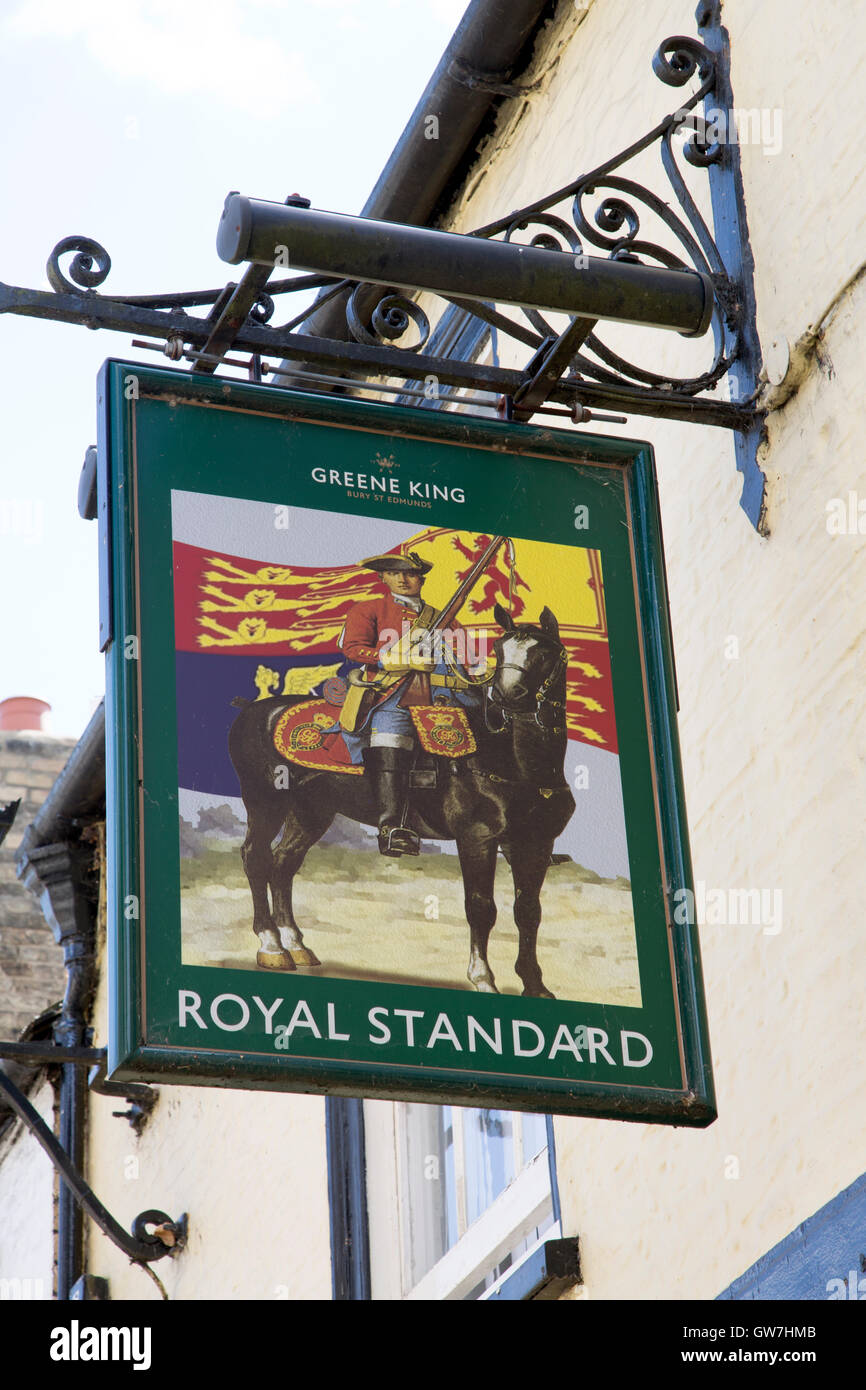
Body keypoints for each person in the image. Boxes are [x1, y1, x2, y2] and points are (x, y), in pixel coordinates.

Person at [338, 550, 482, 857]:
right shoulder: (369, 610)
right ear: (383, 577)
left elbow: (468, 657)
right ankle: (392, 828)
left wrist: (480, 668)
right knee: (391, 736)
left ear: (421, 579)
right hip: (393, 693)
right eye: (394, 573)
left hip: (446, 696)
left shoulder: (445, 619)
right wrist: (394, 658)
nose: (403, 579)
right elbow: (353, 648)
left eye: (411, 573)